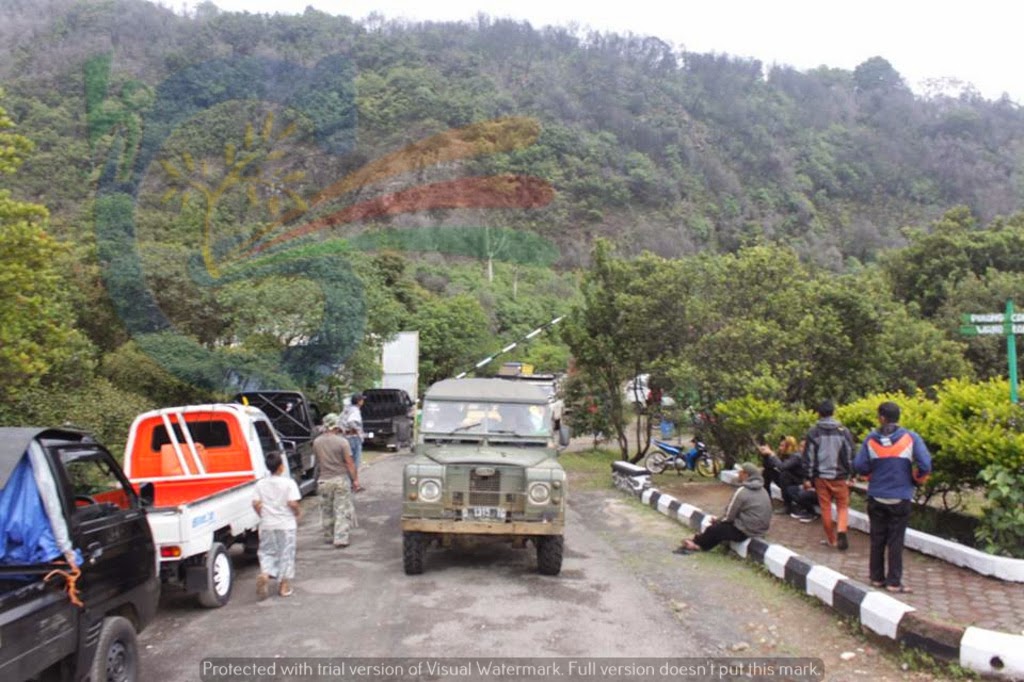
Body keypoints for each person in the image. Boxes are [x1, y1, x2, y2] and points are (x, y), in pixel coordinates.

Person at [853, 401, 931, 593]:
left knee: (877, 537)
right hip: (900, 496)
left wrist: (872, 474)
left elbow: (860, 465)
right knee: (896, 540)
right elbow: (925, 464)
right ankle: (894, 582)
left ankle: (876, 578)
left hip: (877, 495)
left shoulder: (871, 439)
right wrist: (917, 479)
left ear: (881, 417)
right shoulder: (910, 438)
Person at [675, 463, 772, 553]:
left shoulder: (743, 491)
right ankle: (698, 541)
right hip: (760, 530)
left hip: (745, 531)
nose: (738, 474)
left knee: (714, 529)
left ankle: (697, 544)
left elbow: (729, 515)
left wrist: (717, 521)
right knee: (721, 528)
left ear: (746, 474)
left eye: (740, 472)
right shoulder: (764, 491)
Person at [802, 400, 854, 550]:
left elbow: (809, 457)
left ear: (819, 413)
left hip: (821, 477)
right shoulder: (843, 431)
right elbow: (850, 454)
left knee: (825, 508)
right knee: (842, 507)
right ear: (833, 412)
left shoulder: (813, 432)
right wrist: (852, 474)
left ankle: (832, 540)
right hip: (840, 476)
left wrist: (807, 477)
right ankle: (842, 529)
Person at [253, 451, 301, 598]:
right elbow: (292, 502)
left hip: (267, 523)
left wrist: (262, 514)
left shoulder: (260, 484)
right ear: (281, 467)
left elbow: (255, 503)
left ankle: (265, 574)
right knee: (285, 553)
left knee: (267, 551)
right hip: (285, 524)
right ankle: (283, 586)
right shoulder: (288, 483)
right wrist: (297, 512)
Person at [312, 413, 359, 548]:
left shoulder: (317, 442)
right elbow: (349, 463)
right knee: (341, 509)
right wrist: (355, 480)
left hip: (323, 480)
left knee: (326, 509)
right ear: (336, 426)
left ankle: (328, 535)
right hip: (340, 480)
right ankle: (341, 538)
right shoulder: (342, 442)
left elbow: (318, 461)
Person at [758, 437, 818, 519]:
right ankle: (766, 500)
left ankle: (788, 506)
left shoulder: (797, 456)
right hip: (790, 482)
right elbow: (768, 466)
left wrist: (771, 454)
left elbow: (782, 467)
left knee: (784, 474)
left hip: (799, 483)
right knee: (768, 472)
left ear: (789, 446)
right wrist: (765, 455)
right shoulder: (784, 455)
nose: (780, 448)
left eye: (782, 446)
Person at [340, 393, 366, 488]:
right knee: (355, 461)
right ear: (359, 401)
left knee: (347, 461)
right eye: (362, 400)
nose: (363, 401)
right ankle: (355, 483)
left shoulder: (346, 409)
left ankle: (349, 482)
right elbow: (351, 421)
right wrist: (358, 430)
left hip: (345, 436)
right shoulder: (355, 410)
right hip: (353, 437)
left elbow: (340, 422)